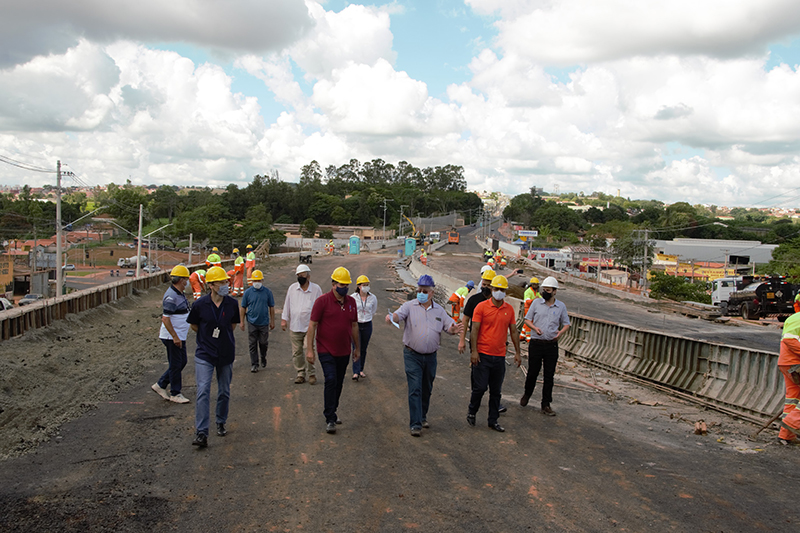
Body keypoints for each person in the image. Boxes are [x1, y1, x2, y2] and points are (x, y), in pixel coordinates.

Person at [386, 275, 462, 437]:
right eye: (419, 290)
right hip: (412, 355)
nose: (421, 293)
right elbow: (398, 315)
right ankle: (415, 423)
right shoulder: (409, 306)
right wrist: (392, 317)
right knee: (415, 388)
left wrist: (453, 330)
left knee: (427, 387)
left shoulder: (439, 310)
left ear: (432, 293)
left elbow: (449, 325)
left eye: (424, 291)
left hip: (430, 357)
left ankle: (422, 415)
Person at [187, 266, 240, 448]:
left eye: (226, 281)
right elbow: (194, 326)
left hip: (225, 353)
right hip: (205, 353)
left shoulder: (232, 304)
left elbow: (232, 326)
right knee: (203, 391)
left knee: (224, 391)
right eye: (222, 282)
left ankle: (221, 420)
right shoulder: (200, 305)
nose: (226, 284)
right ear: (211, 285)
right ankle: (201, 432)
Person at [306, 267, 359, 434]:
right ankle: (330, 418)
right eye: (341, 284)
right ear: (333, 284)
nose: (344, 287)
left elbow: (354, 326)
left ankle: (333, 410)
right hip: (325, 348)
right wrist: (310, 350)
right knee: (330, 378)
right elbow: (312, 325)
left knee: (338, 382)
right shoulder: (322, 301)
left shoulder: (351, 302)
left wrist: (357, 348)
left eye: (346, 284)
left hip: (344, 350)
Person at [467, 275, 521, 432]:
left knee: (496, 391)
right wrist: (474, 351)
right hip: (483, 355)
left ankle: (493, 420)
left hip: (499, 356)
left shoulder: (509, 310)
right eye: (496, 289)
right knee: (480, 387)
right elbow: (474, 330)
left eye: (502, 290)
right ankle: (472, 411)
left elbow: (513, 331)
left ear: (505, 292)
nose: (499, 292)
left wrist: (518, 352)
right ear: (491, 289)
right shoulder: (481, 307)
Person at [458, 269, 508, 414]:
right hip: (476, 343)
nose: (486, 287)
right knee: (477, 373)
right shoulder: (475, 301)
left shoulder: (500, 304)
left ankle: (494, 403)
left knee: (494, 379)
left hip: (494, 346)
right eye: (484, 284)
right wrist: (462, 340)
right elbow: (465, 319)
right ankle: (476, 397)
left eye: (489, 285)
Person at [520, 276, 570, 416]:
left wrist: (560, 333)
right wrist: (535, 328)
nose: (545, 292)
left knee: (549, 376)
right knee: (532, 372)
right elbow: (527, 319)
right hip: (536, 343)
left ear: (555, 291)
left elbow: (567, 323)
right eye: (544, 290)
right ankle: (527, 394)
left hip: (551, 345)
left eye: (548, 290)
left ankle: (546, 404)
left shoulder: (561, 306)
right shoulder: (536, 304)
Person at [151, 265, 192, 404]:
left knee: (182, 361)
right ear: (181, 280)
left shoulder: (179, 293)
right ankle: (175, 393)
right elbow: (165, 318)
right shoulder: (171, 296)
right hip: (172, 336)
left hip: (180, 335)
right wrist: (174, 336)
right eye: (186, 279)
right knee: (176, 364)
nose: (188, 282)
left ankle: (161, 384)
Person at [281, 264, 323, 385]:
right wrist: (284, 319)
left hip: (310, 327)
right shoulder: (292, 289)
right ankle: (300, 373)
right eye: (298, 276)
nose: (300, 278)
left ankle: (311, 373)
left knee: (308, 349)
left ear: (308, 276)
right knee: (296, 352)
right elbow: (287, 304)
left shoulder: (316, 289)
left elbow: (321, 307)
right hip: (295, 325)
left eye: (303, 275)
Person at [239, 269, 275, 373]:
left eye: (259, 281)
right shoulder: (247, 293)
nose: (257, 283)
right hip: (252, 322)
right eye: (255, 281)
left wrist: (272, 321)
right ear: (251, 281)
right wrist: (241, 321)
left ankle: (263, 356)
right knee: (252, 344)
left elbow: (271, 307)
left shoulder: (267, 292)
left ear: (262, 281)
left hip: (264, 322)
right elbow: (243, 307)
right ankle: (254, 364)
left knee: (263, 343)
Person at [778, 312, 800, 445]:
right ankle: (792, 422)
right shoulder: (798, 319)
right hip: (795, 364)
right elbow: (789, 340)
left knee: (793, 397)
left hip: (788, 363)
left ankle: (786, 435)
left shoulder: (794, 317)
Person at [351, 275, 377, 381]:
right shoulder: (353, 297)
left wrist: (367, 317)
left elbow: (374, 310)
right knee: (356, 347)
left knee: (363, 348)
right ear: (358, 286)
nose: (366, 287)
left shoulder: (373, 298)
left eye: (367, 285)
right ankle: (355, 371)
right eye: (363, 285)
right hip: (356, 324)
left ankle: (361, 369)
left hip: (367, 324)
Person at [520, 277, 540, 342]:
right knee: (529, 323)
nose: (536, 286)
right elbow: (527, 301)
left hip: (532, 309)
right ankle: (528, 338)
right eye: (535, 284)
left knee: (526, 323)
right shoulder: (528, 291)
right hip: (528, 309)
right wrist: (534, 300)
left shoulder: (536, 292)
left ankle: (522, 336)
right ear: (532, 284)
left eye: (537, 284)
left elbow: (540, 298)